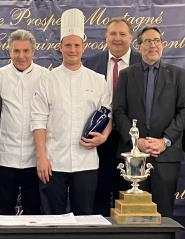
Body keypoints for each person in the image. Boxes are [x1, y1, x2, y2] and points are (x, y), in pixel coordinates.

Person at [31, 8, 112, 215]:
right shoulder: (46, 80)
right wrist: (41, 157)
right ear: (60, 47)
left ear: (84, 48)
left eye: (77, 45)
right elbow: (38, 120)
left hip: (86, 162)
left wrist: (103, 137)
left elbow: (108, 115)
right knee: (52, 219)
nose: (72, 50)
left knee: (84, 217)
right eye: (68, 45)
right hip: (53, 161)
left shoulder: (97, 80)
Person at [113, 25, 185, 217]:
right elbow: (119, 112)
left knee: (164, 214)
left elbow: (183, 111)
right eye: (148, 41)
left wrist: (165, 141)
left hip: (166, 155)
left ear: (162, 45)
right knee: (133, 215)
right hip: (134, 156)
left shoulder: (179, 75)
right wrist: (138, 142)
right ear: (139, 46)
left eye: (157, 41)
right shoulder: (127, 75)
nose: (153, 45)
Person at [83, 17, 141, 216]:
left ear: (131, 37)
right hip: (98, 140)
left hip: (132, 140)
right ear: (105, 37)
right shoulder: (90, 63)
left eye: (122, 34)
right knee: (99, 192)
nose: (117, 38)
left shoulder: (143, 62)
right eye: (113, 34)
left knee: (127, 194)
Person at [0, 29, 48, 215]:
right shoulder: (1, 75)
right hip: (5, 157)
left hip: (36, 158)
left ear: (33, 52)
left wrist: (42, 155)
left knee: (34, 211)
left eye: (26, 51)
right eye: (16, 51)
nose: (21, 56)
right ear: (8, 51)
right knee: (3, 211)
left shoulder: (45, 76)